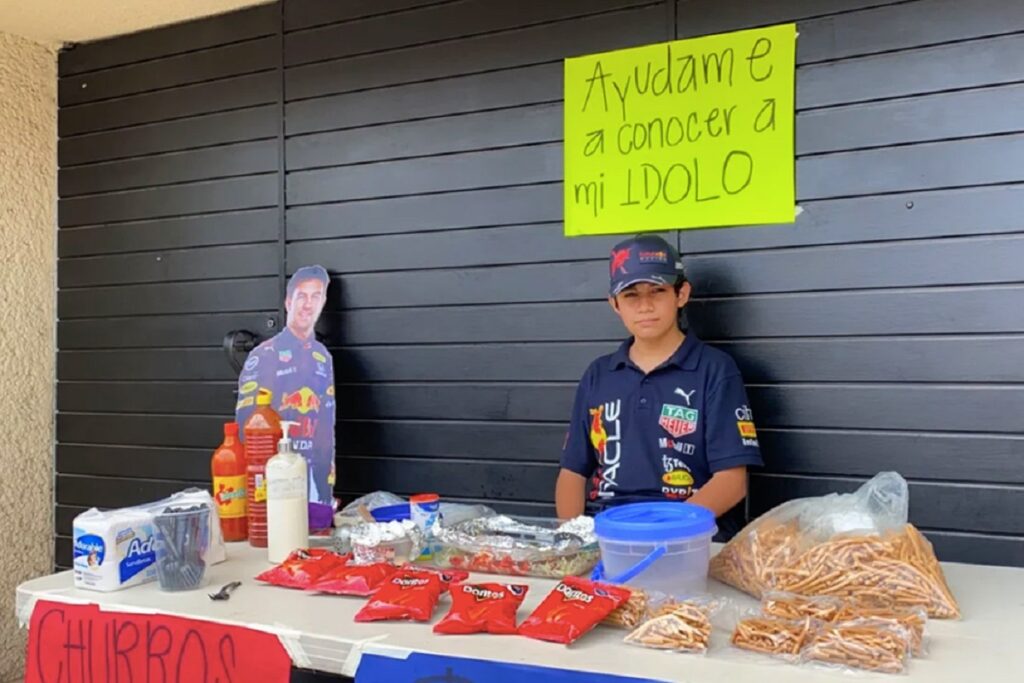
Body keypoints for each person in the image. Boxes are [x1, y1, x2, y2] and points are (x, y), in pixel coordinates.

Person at [555, 235, 763, 537]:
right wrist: (573, 538)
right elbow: (572, 473)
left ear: (681, 294)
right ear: (614, 304)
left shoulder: (714, 369)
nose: (645, 306)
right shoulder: (598, 374)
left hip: (689, 537)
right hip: (608, 534)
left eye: (657, 291)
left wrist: (664, 534)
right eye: (631, 296)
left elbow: (732, 482)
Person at [236, 265, 336, 530]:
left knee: (313, 544)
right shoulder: (264, 354)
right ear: (288, 302)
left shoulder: (323, 356)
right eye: (302, 296)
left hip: (315, 478)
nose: (308, 304)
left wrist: (327, 486)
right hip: (278, 475)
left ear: (323, 302)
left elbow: (327, 425)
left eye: (316, 296)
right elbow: (247, 428)